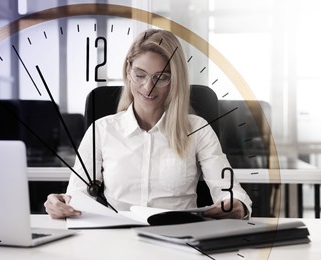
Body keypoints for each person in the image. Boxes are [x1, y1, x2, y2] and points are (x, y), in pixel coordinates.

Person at [45, 29, 252, 220]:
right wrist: (61, 203)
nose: (148, 87)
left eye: (161, 78)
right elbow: (77, 193)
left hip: (178, 238)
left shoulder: (197, 130)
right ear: (128, 71)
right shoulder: (102, 130)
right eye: (140, 75)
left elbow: (230, 192)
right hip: (116, 238)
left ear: (175, 80)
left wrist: (236, 205)